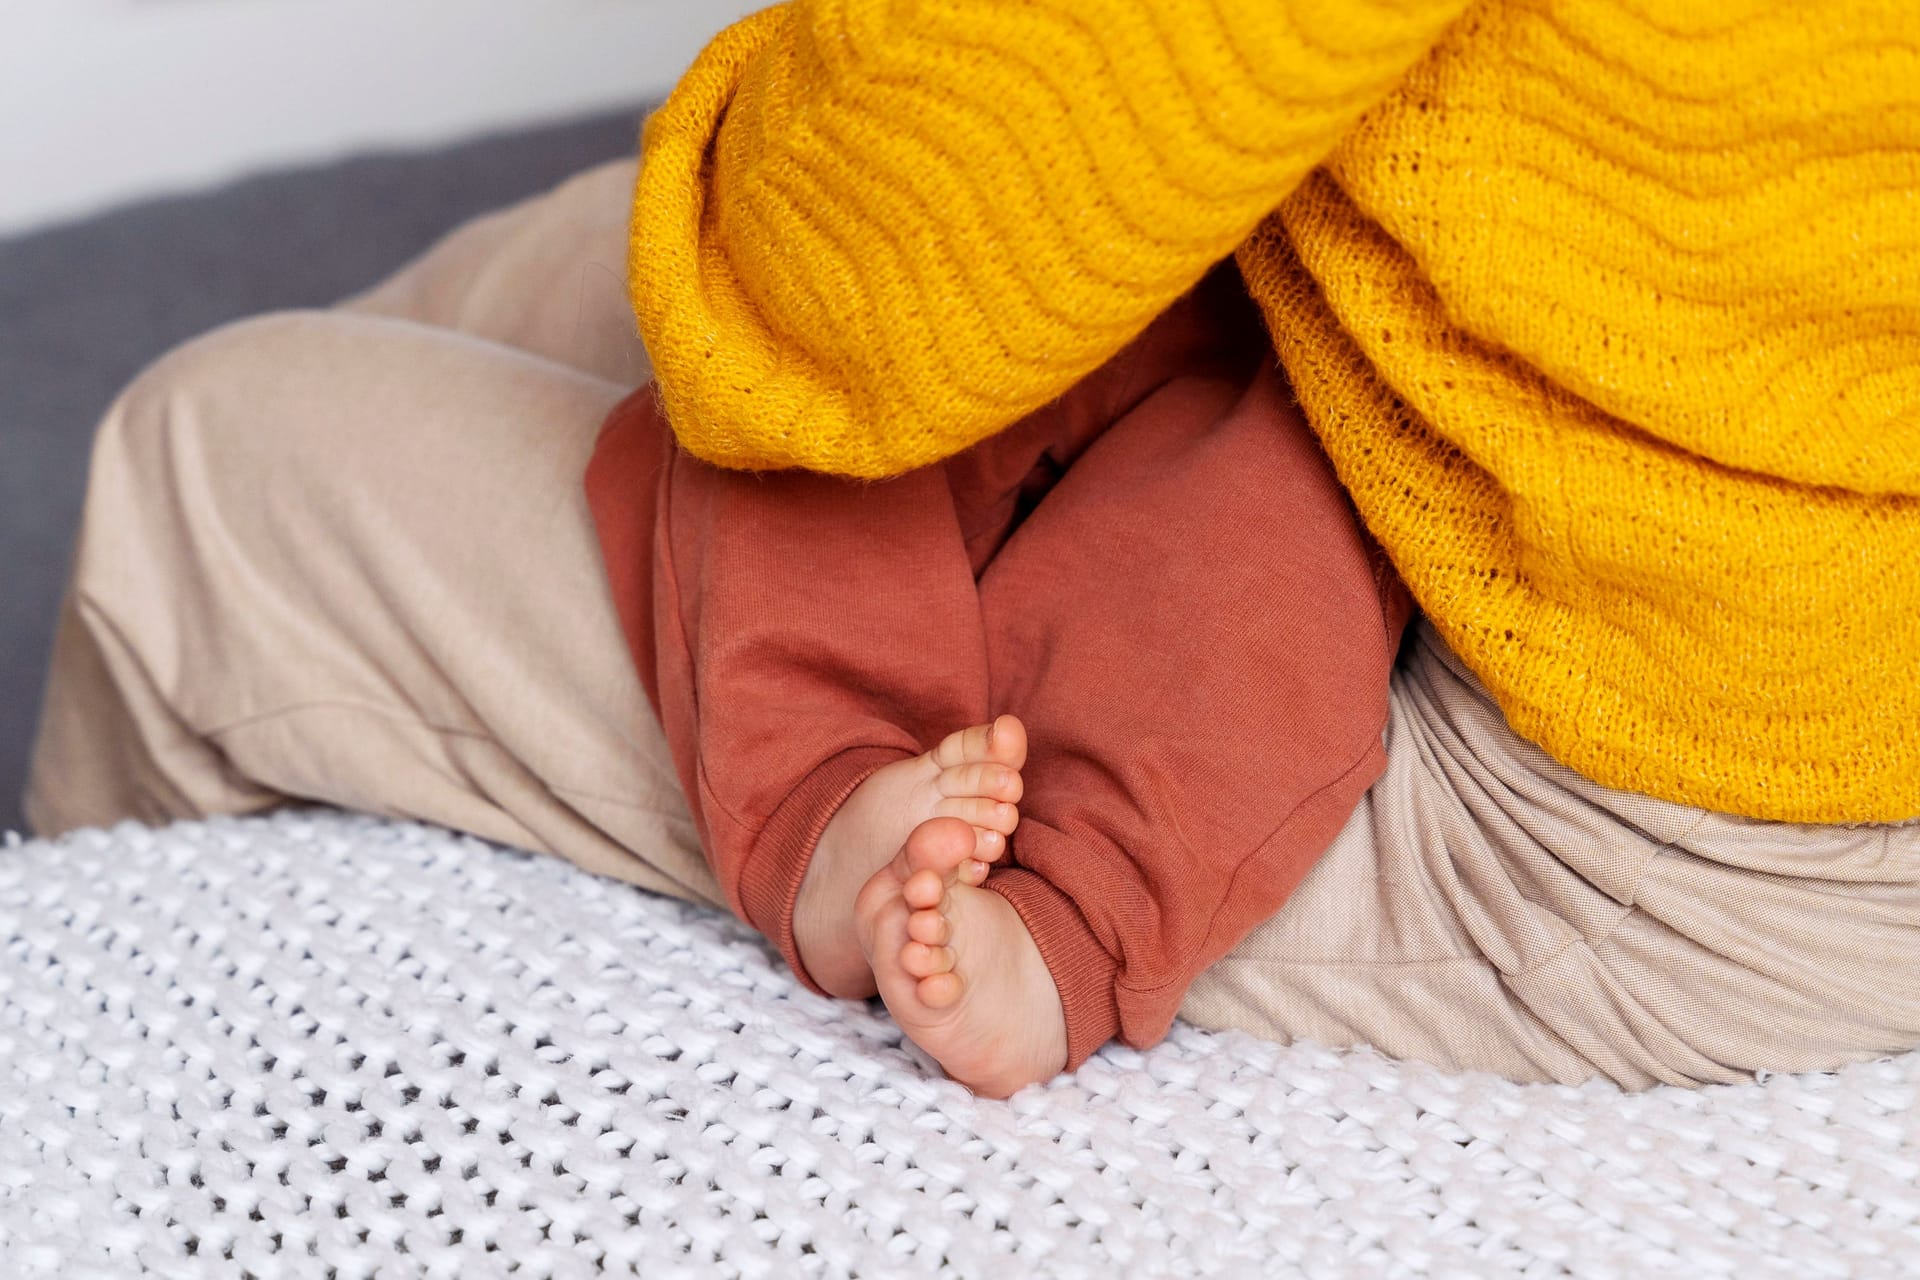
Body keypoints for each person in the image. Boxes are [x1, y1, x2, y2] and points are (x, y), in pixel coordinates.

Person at [29, 0, 1920, 1097]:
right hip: (1482, 379)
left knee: (203, 468)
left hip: (1703, 796)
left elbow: (842, 290)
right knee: (553, 272)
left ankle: (140, 1118)